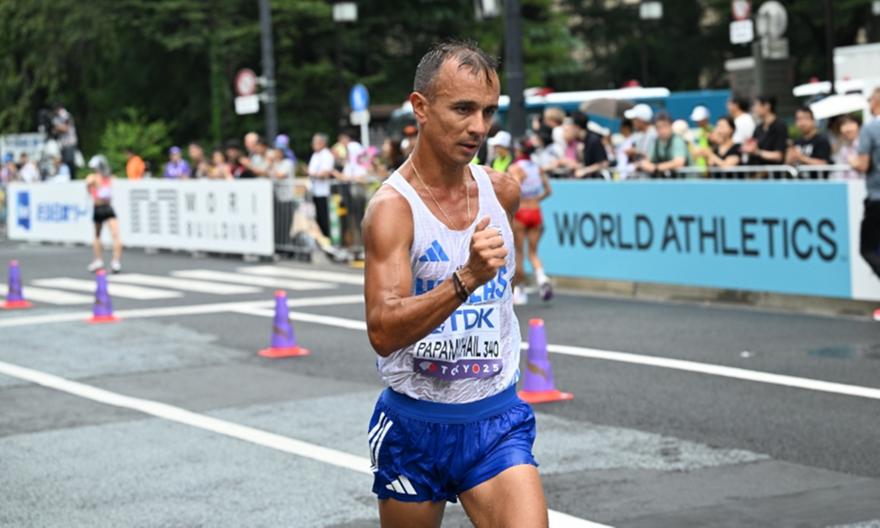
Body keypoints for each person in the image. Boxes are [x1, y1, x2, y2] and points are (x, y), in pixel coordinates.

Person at [362, 40, 547, 527]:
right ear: (420, 107)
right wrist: (465, 279)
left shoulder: (501, 192)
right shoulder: (392, 209)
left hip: (494, 420)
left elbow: (503, 289)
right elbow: (382, 329)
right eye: (463, 109)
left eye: (488, 111)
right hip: (414, 425)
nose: (479, 127)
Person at [509, 138, 552, 305]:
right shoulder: (537, 167)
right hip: (535, 211)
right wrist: (535, 199)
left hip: (521, 212)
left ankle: (519, 291)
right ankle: (542, 278)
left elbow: (514, 190)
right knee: (533, 253)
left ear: (519, 151)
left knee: (518, 253)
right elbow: (548, 190)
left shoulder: (515, 168)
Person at [849, 87, 880, 298]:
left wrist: (852, 161)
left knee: (867, 248)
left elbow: (863, 164)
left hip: (877, 198)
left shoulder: (870, 129)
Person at [85, 155, 122, 273]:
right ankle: (98, 260)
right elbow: (89, 186)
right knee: (98, 235)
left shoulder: (107, 177)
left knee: (115, 234)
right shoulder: (93, 177)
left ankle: (115, 261)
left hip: (106, 207)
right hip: (99, 208)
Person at [742, 95, 788, 176]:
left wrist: (757, 152)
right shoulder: (758, 128)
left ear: (767, 106)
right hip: (757, 174)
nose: (754, 109)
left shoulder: (780, 126)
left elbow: (779, 155)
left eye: (756, 105)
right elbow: (753, 146)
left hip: (773, 176)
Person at [637, 112, 689, 178]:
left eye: (665, 126)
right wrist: (643, 164)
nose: (662, 130)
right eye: (659, 127)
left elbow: (679, 162)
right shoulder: (657, 141)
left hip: (687, 181)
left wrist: (656, 168)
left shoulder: (677, 140)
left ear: (671, 126)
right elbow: (648, 159)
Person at [787, 106, 833, 179]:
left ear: (813, 120)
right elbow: (788, 165)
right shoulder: (796, 142)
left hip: (817, 183)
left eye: (805, 118)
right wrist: (789, 157)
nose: (802, 123)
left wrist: (801, 157)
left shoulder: (822, 141)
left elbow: (824, 165)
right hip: (798, 183)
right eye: (798, 119)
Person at [307, 133, 336, 237]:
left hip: (324, 192)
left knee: (324, 219)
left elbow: (325, 173)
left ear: (323, 143)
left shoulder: (327, 155)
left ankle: (328, 239)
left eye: (315, 142)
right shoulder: (315, 155)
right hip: (315, 191)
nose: (313, 144)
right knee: (318, 218)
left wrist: (313, 174)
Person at [572, 111, 608, 178]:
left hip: (596, 180)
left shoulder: (594, 140)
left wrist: (585, 171)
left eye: (571, 127)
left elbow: (603, 163)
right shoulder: (580, 141)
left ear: (576, 127)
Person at [623, 103, 656, 170]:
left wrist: (635, 152)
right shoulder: (638, 135)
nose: (633, 122)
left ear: (641, 120)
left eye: (635, 119)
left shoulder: (654, 134)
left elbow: (653, 157)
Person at [52, 102, 78, 177]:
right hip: (62, 143)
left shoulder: (66, 115)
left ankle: (73, 177)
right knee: (63, 162)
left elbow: (66, 128)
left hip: (70, 142)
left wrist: (57, 128)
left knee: (69, 161)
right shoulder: (56, 117)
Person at [834, 116, 861, 180]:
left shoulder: (864, 144)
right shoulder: (843, 148)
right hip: (845, 183)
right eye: (844, 125)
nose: (848, 129)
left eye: (850, 124)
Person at [689, 105, 713, 170]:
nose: (698, 122)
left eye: (700, 120)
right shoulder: (696, 133)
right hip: (699, 169)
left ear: (706, 119)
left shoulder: (713, 131)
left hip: (709, 168)